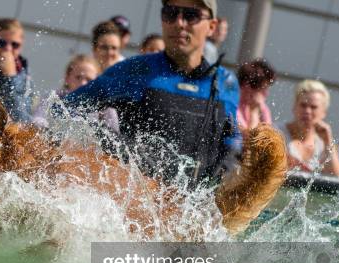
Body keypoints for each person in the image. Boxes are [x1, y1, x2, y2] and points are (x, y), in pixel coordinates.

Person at [64, 0, 241, 184]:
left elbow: (233, 145)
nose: (179, 23)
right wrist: (105, 144)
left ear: (211, 26)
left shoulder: (225, 83)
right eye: (171, 13)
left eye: (191, 15)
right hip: (136, 203)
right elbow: (65, 108)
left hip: (194, 207)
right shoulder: (135, 71)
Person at [33, 54, 118, 133]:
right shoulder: (53, 97)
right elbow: (38, 119)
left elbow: (113, 137)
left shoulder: (105, 107)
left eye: (89, 80)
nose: (83, 83)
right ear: (67, 78)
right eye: (78, 77)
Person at [278, 79, 339, 176]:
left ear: (324, 113)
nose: (307, 111)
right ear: (294, 107)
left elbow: (337, 181)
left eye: (313, 107)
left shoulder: (323, 145)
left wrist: (328, 142)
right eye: (303, 105)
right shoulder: (277, 133)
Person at [236, 59, 276, 130]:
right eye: (263, 89)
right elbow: (250, 139)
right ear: (247, 86)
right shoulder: (232, 105)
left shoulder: (263, 108)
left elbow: (268, 137)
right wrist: (254, 112)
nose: (266, 94)